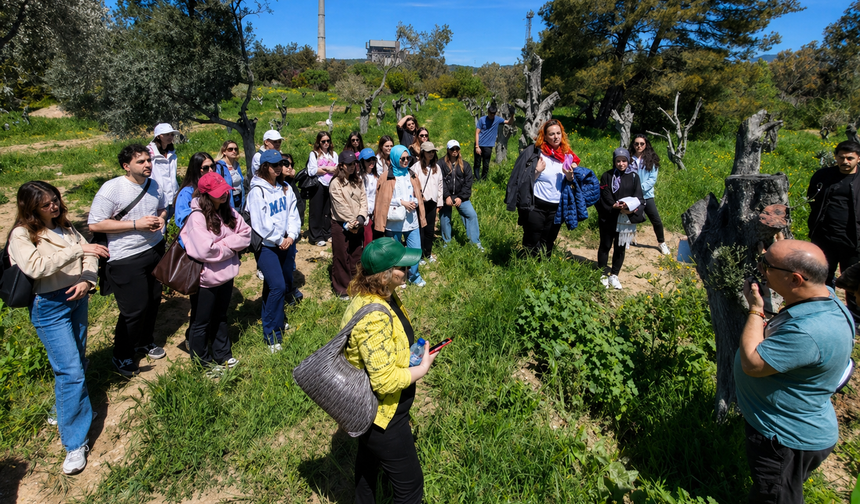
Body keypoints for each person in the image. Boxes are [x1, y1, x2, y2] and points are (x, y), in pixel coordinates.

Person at [738, 239, 854, 503]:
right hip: (786, 428)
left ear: (795, 279)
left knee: (775, 496)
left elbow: (752, 364)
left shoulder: (811, 330)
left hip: (784, 440)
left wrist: (756, 310)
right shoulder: (825, 297)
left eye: (766, 265)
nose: (760, 267)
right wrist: (778, 253)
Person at [8, 181, 109, 475]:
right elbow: (36, 267)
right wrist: (78, 250)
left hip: (76, 298)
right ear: (30, 208)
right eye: (46, 204)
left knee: (75, 361)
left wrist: (87, 280)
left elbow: (90, 255)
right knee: (71, 371)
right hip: (49, 305)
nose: (54, 206)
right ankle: (75, 443)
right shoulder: (22, 234)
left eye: (55, 200)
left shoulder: (64, 226)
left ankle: (60, 410)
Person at [341, 237, 438, 504]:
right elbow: (383, 382)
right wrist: (422, 369)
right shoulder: (373, 315)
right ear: (384, 276)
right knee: (410, 489)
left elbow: (387, 349)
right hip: (383, 417)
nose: (408, 271)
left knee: (367, 472)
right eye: (402, 267)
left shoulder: (381, 295)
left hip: (371, 413)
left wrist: (413, 356)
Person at [88, 144, 167, 376]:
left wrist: (162, 219)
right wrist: (135, 224)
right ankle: (121, 354)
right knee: (134, 308)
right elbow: (95, 223)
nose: (147, 165)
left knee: (153, 300)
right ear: (126, 166)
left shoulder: (154, 185)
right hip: (125, 257)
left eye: (148, 160)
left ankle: (144, 341)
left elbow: (163, 208)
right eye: (140, 161)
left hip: (154, 249)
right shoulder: (112, 189)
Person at [180, 173, 251, 374]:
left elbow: (245, 235)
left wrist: (220, 246)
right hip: (206, 280)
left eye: (225, 191)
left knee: (220, 316)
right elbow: (204, 250)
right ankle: (202, 361)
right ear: (206, 194)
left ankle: (223, 354)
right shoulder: (197, 217)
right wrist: (231, 247)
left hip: (227, 275)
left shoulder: (229, 212)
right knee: (201, 321)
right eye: (218, 193)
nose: (224, 196)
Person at [247, 150, 301, 353]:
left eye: (281, 163)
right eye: (274, 165)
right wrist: (279, 239)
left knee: (276, 286)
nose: (279, 167)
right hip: (267, 247)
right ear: (264, 167)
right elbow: (260, 224)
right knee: (277, 286)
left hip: (286, 242)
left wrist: (291, 236)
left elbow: (293, 214)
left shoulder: (285, 187)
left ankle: (278, 318)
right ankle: (272, 334)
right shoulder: (257, 192)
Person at [505, 119, 581, 259]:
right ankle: (527, 267)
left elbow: (572, 183)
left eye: (558, 133)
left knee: (548, 240)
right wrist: (536, 171)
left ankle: (544, 268)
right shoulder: (535, 152)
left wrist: (570, 176)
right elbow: (522, 179)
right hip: (536, 204)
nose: (556, 137)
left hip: (556, 207)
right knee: (532, 239)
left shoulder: (567, 156)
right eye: (551, 134)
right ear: (544, 136)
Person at [807, 140, 860, 325]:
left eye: (850, 158)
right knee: (822, 276)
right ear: (835, 157)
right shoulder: (823, 176)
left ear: (858, 158)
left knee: (854, 281)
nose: (845, 161)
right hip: (824, 238)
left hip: (854, 241)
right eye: (841, 157)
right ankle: (825, 312)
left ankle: (855, 320)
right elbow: (812, 198)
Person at [374, 145, 427, 287]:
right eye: (402, 158)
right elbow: (382, 200)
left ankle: (414, 276)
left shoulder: (411, 174)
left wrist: (415, 202)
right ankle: (397, 278)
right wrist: (401, 202)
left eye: (407, 158)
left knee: (415, 249)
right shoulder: (386, 176)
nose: (405, 161)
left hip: (411, 220)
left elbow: (418, 194)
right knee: (395, 252)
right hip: (394, 221)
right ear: (394, 159)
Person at [595, 148, 645, 290]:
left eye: (624, 161)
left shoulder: (634, 177)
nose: (621, 164)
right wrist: (614, 205)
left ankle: (614, 274)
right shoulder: (607, 176)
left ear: (628, 161)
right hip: (609, 216)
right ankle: (603, 273)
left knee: (620, 247)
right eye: (618, 161)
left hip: (625, 217)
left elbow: (638, 196)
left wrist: (629, 207)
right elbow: (604, 193)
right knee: (605, 245)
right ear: (614, 161)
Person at [329, 150, 368, 300]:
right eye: (349, 164)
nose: (352, 167)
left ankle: (356, 283)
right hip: (341, 224)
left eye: (354, 163)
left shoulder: (358, 180)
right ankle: (342, 288)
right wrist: (352, 221)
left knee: (356, 254)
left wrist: (360, 219)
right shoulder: (335, 183)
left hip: (357, 222)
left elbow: (363, 200)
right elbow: (340, 206)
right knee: (341, 256)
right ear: (342, 165)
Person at [627, 134, 669, 255]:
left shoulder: (652, 159)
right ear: (633, 145)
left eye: (641, 144)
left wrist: (640, 189)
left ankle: (662, 243)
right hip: (631, 195)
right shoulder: (629, 158)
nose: (639, 146)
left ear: (646, 145)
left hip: (647, 195)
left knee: (656, 220)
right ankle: (628, 239)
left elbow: (652, 179)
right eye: (636, 144)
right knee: (630, 218)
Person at [438, 140, 483, 251]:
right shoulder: (440, 164)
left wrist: (461, 197)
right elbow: (440, 181)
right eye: (452, 149)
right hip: (445, 197)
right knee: (445, 218)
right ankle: (447, 243)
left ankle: (475, 243)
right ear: (447, 150)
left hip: (461, 197)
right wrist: (446, 196)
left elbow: (468, 183)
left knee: (471, 215)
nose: (455, 151)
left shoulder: (465, 165)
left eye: (457, 149)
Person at [413, 142, 443, 263]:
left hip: (432, 201)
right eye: (428, 152)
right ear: (423, 153)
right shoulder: (416, 167)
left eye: (433, 152)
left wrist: (439, 201)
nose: (431, 154)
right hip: (421, 201)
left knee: (430, 228)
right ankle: (420, 255)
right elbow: (413, 183)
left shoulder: (437, 167)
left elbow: (440, 185)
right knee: (421, 228)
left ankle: (428, 253)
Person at [307, 131, 338, 247]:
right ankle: (316, 235)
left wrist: (324, 168)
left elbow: (337, 169)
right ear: (319, 142)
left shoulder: (334, 154)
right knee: (316, 210)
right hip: (318, 184)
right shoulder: (314, 154)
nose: (326, 143)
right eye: (323, 141)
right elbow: (312, 170)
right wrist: (328, 168)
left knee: (328, 210)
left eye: (328, 141)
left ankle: (327, 233)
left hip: (330, 184)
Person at [146, 123, 179, 219]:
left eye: (172, 134)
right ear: (159, 136)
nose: (170, 137)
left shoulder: (172, 153)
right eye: (167, 134)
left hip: (173, 197)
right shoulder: (149, 154)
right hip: (157, 197)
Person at [474, 105, 515, 182]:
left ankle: (483, 180)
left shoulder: (497, 119)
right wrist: (477, 146)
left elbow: (509, 122)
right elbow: (477, 133)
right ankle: (477, 179)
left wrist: (512, 115)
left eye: (493, 114)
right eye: (490, 114)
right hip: (479, 144)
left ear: (495, 113)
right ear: (488, 112)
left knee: (486, 164)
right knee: (477, 163)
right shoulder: (482, 120)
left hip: (488, 146)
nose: (492, 116)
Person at [175, 152, 215, 229]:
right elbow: (183, 220)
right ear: (196, 170)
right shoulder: (186, 192)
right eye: (206, 168)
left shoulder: (214, 187)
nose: (211, 170)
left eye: (212, 166)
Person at [214, 140, 245, 210]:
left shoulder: (236, 165)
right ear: (224, 152)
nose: (233, 151)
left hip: (239, 198)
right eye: (230, 149)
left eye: (235, 149)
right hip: (227, 200)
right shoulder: (219, 166)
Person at [358, 148, 380, 244]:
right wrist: (364, 213)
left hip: (375, 213)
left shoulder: (377, 176)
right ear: (362, 162)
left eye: (373, 159)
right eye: (368, 160)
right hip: (364, 214)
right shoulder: (359, 178)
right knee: (368, 239)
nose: (371, 162)